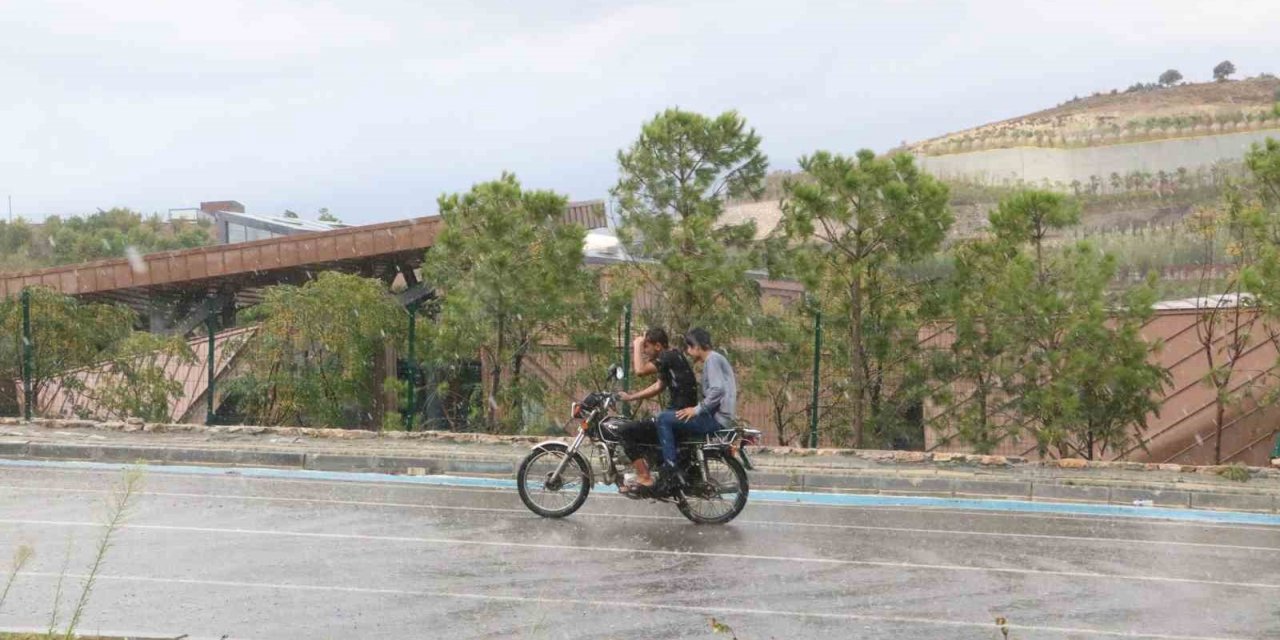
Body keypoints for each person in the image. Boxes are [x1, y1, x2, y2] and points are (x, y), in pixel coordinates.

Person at [654, 327, 737, 493]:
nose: (688, 351)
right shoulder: (715, 359)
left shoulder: (712, 360)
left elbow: (717, 390)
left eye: (690, 347)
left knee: (663, 419)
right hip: (719, 416)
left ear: (698, 347)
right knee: (674, 419)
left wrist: (697, 409)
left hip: (715, 419)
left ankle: (671, 470)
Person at [615, 327, 698, 493]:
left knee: (624, 431)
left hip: (678, 414)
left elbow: (640, 371)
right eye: (643, 347)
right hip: (678, 412)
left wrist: (637, 345)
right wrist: (632, 397)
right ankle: (656, 472)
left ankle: (645, 477)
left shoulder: (667, 356)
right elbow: (659, 385)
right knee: (645, 431)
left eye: (647, 346)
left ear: (658, 346)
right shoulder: (673, 356)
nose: (645, 350)